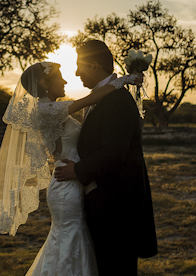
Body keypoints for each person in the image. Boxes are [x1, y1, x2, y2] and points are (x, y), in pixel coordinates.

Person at [0, 60, 141, 275]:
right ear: (43, 82)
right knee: (69, 237)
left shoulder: (53, 109)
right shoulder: (45, 109)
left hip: (73, 180)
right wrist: (125, 80)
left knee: (74, 237)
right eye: (59, 77)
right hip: (67, 184)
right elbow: (91, 99)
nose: (65, 80)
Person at [54, 40, 158, 276]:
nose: (77, 73)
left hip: (117, 205)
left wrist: (78, 171)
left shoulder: (118, 101)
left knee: (117, 266)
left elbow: (113, 151)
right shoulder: (107, 96)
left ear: (93, 65)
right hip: (106, 201)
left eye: (79, 67)